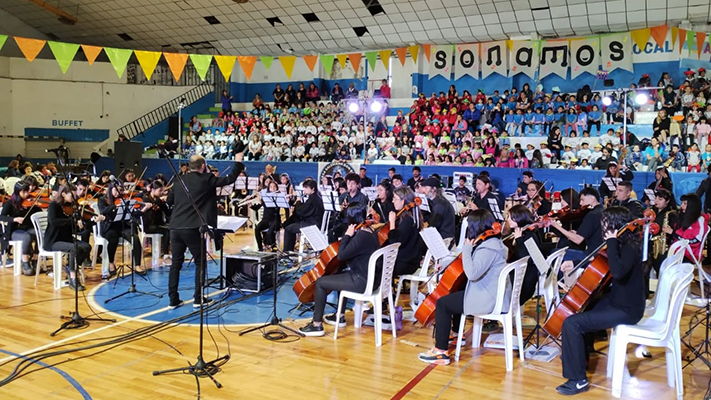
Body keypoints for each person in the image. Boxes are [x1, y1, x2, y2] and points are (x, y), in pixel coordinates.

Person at [556, 207, 646, 395]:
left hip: (627, 309)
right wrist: (576, 263)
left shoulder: (628, 247)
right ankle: (582, 356)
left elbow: (618, 271)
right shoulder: (626, 243)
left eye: (605, 222)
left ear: (614, 224)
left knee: (571, 323)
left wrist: (611, 242)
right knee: (583, 307)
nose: (602, 226)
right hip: (619, 301)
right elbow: (605, 262)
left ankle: (578, 380)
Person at [417, 209, 509, 365]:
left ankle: (440, 352)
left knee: (443, 304)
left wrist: (467, 248)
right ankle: (455, 333)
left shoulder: (487, 248)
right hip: (492, 293)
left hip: (487, 299)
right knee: (458, 290)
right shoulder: (495, 243)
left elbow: (472, 273)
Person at [166, 156, 245, 308]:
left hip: (175, 227)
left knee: (176, 264)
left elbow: (170, 202)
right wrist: (238, 163)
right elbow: (228, 180)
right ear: (203, 166)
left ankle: (173, 300)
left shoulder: (179, 180)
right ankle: (198, 298)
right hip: (192, 227)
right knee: (200, 263)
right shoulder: (206, 179)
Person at [298, 203, 380, 336]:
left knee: (320, 283)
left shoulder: (361, 236)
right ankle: (339, 316)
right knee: (341, 273)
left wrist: (347, 235)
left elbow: (342, 255)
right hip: (371, 279)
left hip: (362, 281)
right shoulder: (370, 231)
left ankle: (316, 325)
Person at [44, 185, 92, 291]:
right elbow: (54, 221)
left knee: (86, 247)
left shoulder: (72, 207)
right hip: (54, 240)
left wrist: (87, 223)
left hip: (67, 238)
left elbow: (77, 229)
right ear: (63, 194)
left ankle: (70, 268)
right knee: (75, 248)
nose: (74, 199)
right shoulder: (53, 206)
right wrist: (72, 221)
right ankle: (73, 278)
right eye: (72, 195)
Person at [97, 181, 144, 280]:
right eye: (116, 190)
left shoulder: (122, 199)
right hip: (109, 226)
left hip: (122, 225)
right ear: (110, 190)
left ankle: (137, 265)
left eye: (120, 190)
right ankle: (111, 263)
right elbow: (103, 211)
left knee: (134, 237)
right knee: (113, 238)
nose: (118, 193)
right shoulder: (102, 199)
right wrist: (114, 207)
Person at [550, 187, 604, 263]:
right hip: (600, 253)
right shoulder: (602, 211)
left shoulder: (592, 214)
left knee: (555, 253)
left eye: (582, 200)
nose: (580, 203)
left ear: (592, 198)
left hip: (591, 255)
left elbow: (578, 240)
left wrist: (557, 226)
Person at [506, 205, 544, 305]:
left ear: (518, 218)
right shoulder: (522, 234)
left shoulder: (528, 236)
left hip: (523, 286)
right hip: (521, 280)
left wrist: (518, 240)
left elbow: (527, 259)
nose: (508, 220)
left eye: (510, 217)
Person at [0, 182, 38, 275]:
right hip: (15, 231)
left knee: (39, 233)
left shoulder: (30, 202)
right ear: (18, 192)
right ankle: (25, 261)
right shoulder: (10, 203)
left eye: (27, 191)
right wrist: (14, 219)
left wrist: (37, 204)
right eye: (24, 192)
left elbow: (38, 211)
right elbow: (2, 217)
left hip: (28, 228)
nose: (27, 194)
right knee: (27, 236)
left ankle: (35, 258)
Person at [387, 186, 424, 277]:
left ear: (403, 201)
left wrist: (392, 222)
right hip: (411, 260)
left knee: (378, 265)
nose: (392, 201)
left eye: (395, 198)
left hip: (405, 263)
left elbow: (395, 242)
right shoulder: (413, 215)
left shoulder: (408, 220)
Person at [664, 193, 709, 264]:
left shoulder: (700, 220)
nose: (681, 206)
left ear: (692, 206)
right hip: (678, 250)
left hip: (690, 254)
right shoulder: (683, 217)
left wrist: (673, 233)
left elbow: (696, 240)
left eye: (685, 204)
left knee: (662, 260)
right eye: (681, 203)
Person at [282, 179, 324, 252]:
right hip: (314, 222)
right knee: (290, 224)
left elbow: (301, 212)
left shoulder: (313, 199)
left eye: (306, 188)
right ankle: (289, 252)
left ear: (313, 189)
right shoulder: (316, 197)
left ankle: (287, 252)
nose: (304, 189)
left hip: (311, 224)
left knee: (288, 229)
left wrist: (298, 201)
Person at [329, 173, 367, 243]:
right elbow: (336, 212)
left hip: (355, 224)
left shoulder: (362, 197)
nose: (350, 186)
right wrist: (340, 208)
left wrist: (349, 207)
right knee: (331, 233)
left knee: (345, 235)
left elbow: (361, 214)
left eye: (353, 184)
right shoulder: (343, 196)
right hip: (343, 222)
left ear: (357, 185)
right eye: (348, 183)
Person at [140, 180, 172, 263]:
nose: (162, 193)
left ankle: (173, 251)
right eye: (160, 191)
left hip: (159, 223)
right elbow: (151, 204)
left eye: (163, 190)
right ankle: (165, 255)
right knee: (166, 230)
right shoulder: (145, 197)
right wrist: (159, 201)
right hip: (149, 225)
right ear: (153, 190)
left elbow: (168, 213)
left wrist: (167, 204)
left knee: (172, 227)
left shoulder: (159, 200)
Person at [421, 177, 455, 242]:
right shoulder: (438, 201)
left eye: (426, 188)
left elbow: (433, 226)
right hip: (442, 234)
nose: (423, 191)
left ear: (434, 189)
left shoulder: (439, 205)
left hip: (444, 239)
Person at [254, 180, 281, 251]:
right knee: (257, 229)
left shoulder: (279, 196)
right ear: (268, 188)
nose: (273, 188)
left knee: (271, 231)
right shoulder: (266, 197)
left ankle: (273, 248)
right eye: (271, 187)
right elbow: (258, 207)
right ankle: (260, 248)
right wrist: (251, 205)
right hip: (266, 219)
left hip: (275, 219)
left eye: (274, 187)